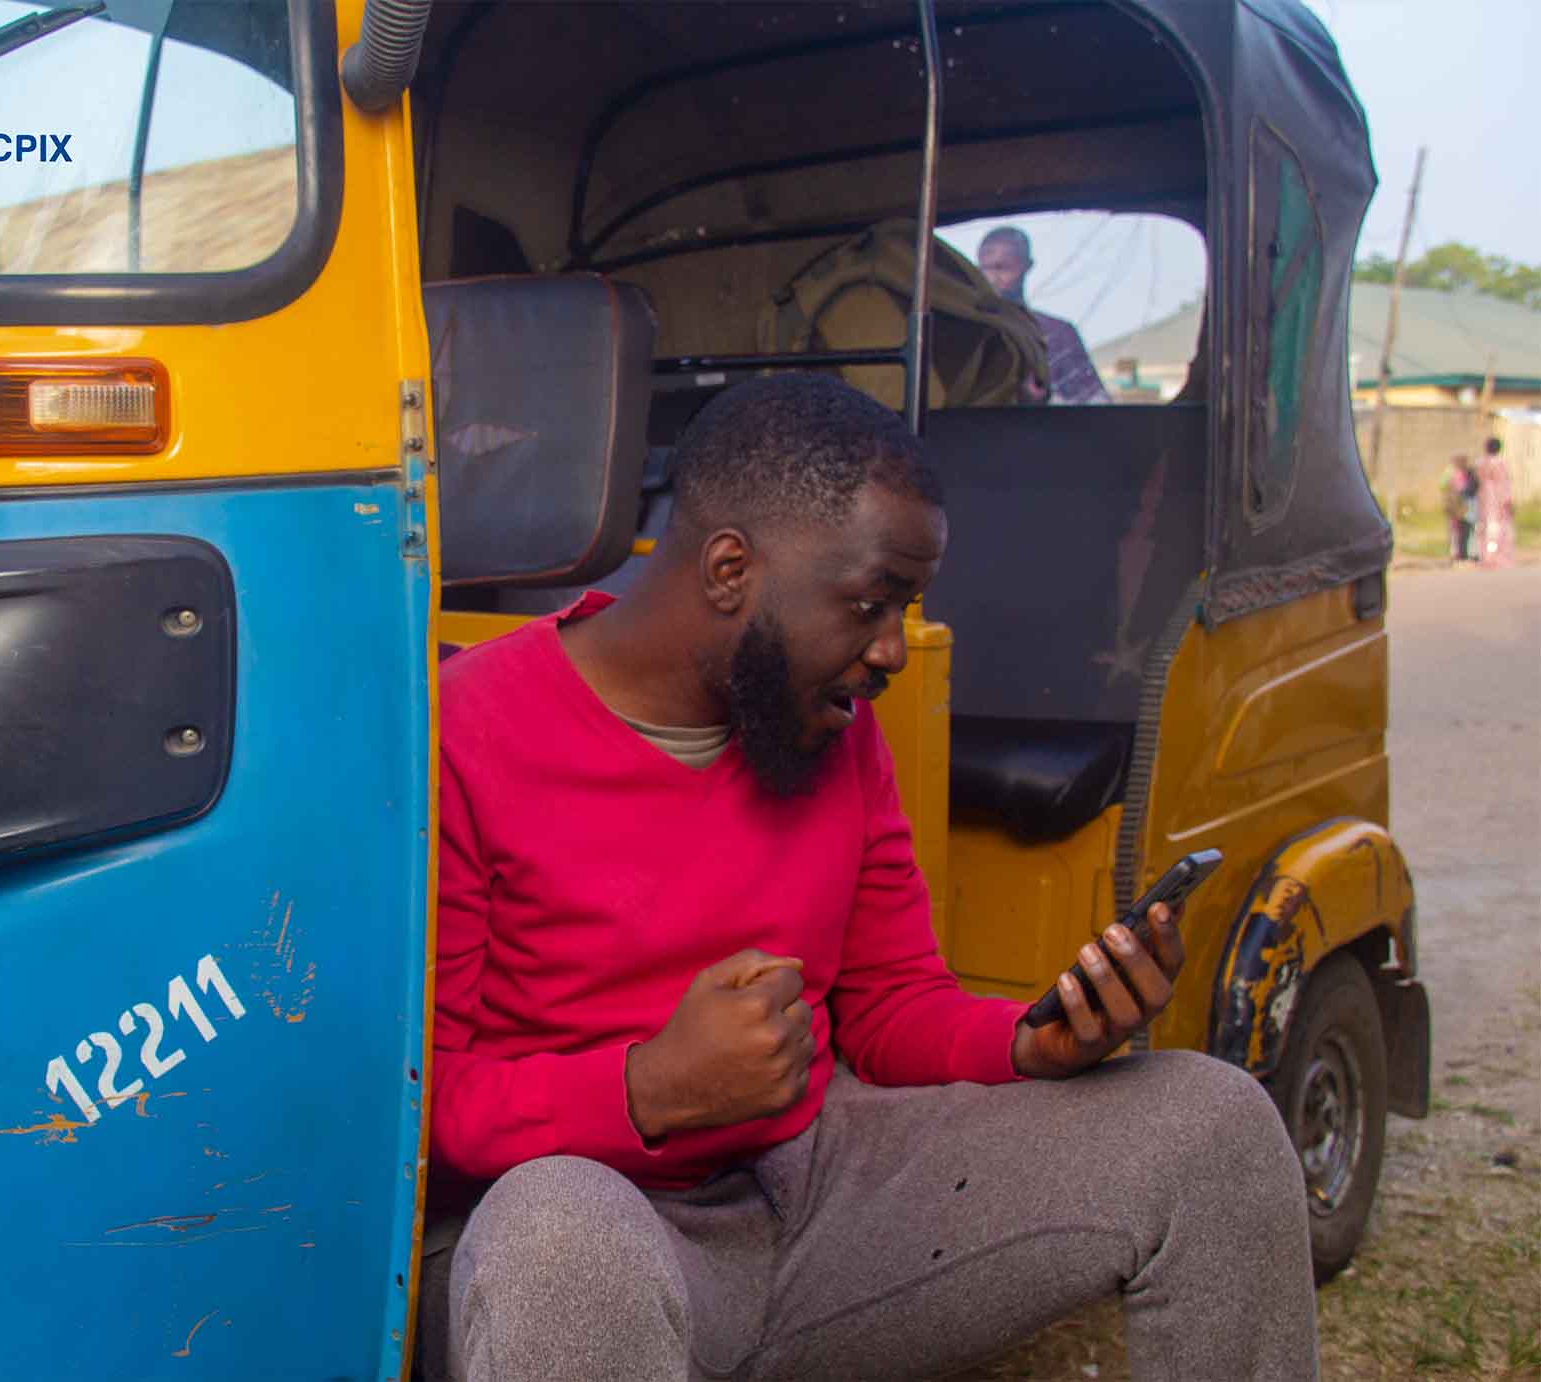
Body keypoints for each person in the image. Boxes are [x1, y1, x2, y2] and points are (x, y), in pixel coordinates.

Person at [419, 372, 1316, 1382]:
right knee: (558, 1241)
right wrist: (647, 1086)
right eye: (867, 602)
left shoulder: (830, 724)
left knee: (1212, 1121)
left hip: (814, 1191)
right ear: (729, 569)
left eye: (904, 605)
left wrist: (1029, 1038)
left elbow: (891, 1004)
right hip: (582, 1228)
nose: (890, 648)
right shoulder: (461, 732)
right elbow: (421, 1103)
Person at [975, 226, 1112, 405]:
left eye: (1002, 268)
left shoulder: (1057, 333)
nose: (991, 278)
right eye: (984, 269)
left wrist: (1044, 399)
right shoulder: (973, 329)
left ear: (1027, 266)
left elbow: (1093, 402)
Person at [1477, 436, 1517, 569]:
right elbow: (1504, 484)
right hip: (1497, 500)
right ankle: (1495, 558)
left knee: (1485, 528)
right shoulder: (1500, 463)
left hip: (1483, 498)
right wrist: (1508, 500)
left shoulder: (1480, 463)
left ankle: (1486, 556)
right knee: (1497, 529)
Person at [1442, 453, 1480, 563]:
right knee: (1458, 531)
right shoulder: (1451, 473)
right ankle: (1459, 553)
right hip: (1457, 506)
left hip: (1467, 506)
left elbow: (1472, 487)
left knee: (1469, 529)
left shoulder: (1469, 473)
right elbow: (1445, 486)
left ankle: (1468, 553)